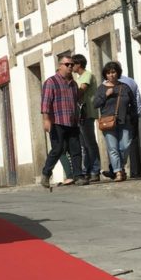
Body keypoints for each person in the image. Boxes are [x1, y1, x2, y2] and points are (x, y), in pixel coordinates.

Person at [40, 54, 87, 189]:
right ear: (60, 66)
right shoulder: (51, 82)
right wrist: (46, 119)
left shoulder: (73, 83)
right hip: (57, 121)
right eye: (67, 64)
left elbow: (77, 100)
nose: (70, 67)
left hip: (72, 121)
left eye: (72, 65)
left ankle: (78, 176)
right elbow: (45, 103)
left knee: (76, 149)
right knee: (58, 149)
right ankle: (46, 173)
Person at [93, 62, 137, 182]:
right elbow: (95, 104)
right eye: (108, 73)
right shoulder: (102, 88)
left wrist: (133, 118)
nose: (111, 75)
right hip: (108, 121)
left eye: (113, 72)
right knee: (113, 148)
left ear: (118, 72)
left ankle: (118, 167)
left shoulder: (125, 87)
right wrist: (106, 95)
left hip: (125, 120)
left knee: (125, 146)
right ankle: (118, 172)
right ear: (105, 75)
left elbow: (133, 104)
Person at [71, 54, 101, 182]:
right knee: (84, 145)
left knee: (90, 143)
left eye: (72, 64)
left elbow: (81, 91)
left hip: (86, 113)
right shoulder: (79, 78)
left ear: (79, 64)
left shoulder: (87, 75)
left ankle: (95, 170)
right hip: (80, 114)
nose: (71, 67)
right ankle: (87, 170)